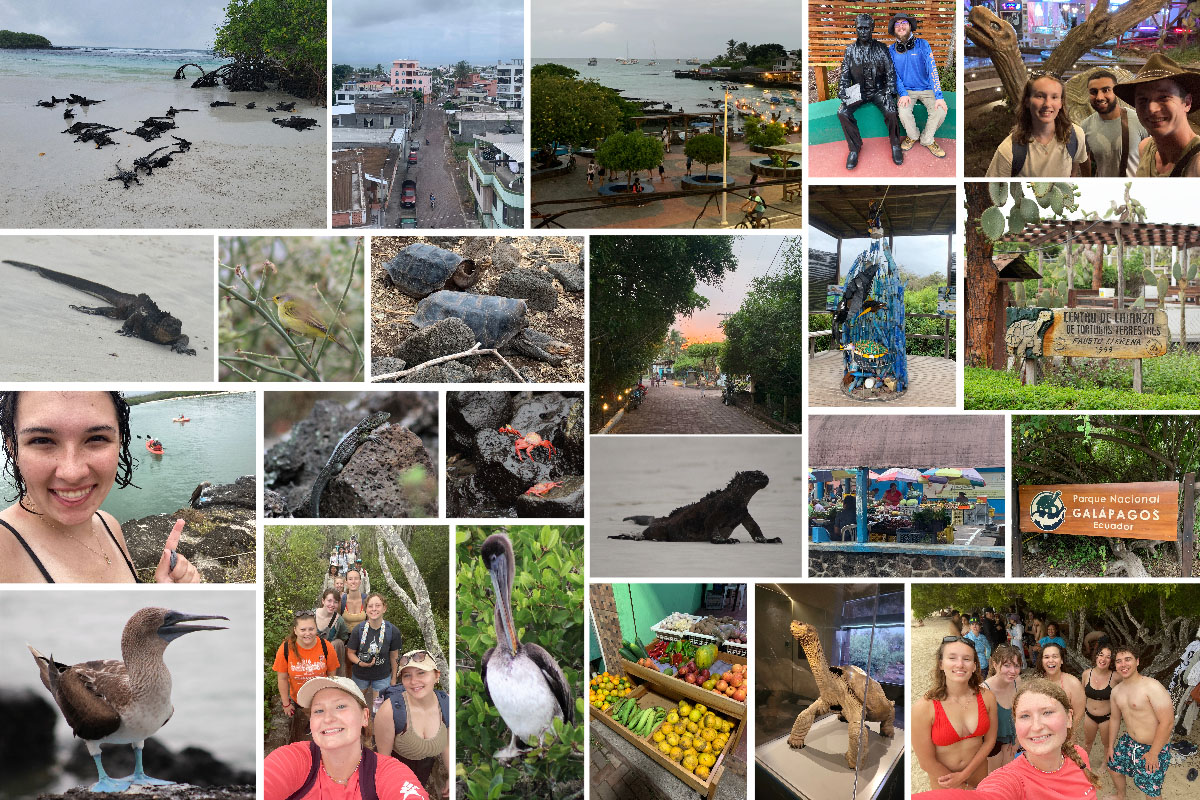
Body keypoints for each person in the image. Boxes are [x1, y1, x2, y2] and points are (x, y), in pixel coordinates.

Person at [0, 391, 199, 583]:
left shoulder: (109, 524)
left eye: (96, 438)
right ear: (12, 448)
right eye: (41, 440)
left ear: (119, 441)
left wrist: (163, 590)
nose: (72, 473)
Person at [913, 678, 1104, 799]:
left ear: (1069, 718)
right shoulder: (1010, 780)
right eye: (1025, 716)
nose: (1036, 726)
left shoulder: (1079, 756)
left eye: (1047, 712)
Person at [264, 676, 430, 800]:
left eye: (341, 706)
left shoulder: (388, 773)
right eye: (318, 711)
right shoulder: (293, 759)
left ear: (365, 717)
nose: (328, 718)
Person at [912, 635, 998, 789]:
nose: (960, 664)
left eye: (967, 659)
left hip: (978, 777)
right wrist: (960, 786)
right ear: (941, 664)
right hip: (945, 784)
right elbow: (926, 762)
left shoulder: (987, 697)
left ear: (974, 665)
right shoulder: (924, 707)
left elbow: (990, 741)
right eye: (952, 658)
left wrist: (964, 776)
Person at [375, 651, 450, 799]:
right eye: (407, 675)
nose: (413, 681)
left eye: (421, 673)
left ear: (436, 675)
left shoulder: (446, 703)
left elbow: (447, 744)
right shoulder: (390, 710)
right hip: (396, 769)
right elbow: (383, 759)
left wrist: (451, 775)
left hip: (425, 767)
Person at [985, 73, 1088, 177]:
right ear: (1027, 102)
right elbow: (993, 190)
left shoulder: (1075, 136)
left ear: (1061, 103)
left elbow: (1072, 173)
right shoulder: (1008, 150)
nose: (1047, 104)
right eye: (1040, 96)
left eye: (1054, 97)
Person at [1114, 53, 1200, 177]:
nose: (1151, 109)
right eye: (1143, 100)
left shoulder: (1196, 164)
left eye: (1163, 97)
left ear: (1187, 102)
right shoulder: (1146, 148)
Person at [1107, 643, 1174, 799]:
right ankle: (1120, 795)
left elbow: (1168, 722)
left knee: (1151, 790)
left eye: (1128, 659)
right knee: (1114, 768)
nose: (1123, 664)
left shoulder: (1152, 687)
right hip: (1129, 741)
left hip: (1154, 746)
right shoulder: (1116, 691)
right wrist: (1110, 746)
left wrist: (1154, 753)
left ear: (1137, 661)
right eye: (1119, 661)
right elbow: (1115, 719)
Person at [837, 13, 904, 169]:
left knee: (891, 111)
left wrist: (889, 91)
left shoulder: (881, 48)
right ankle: (854, 148)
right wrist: (842, 89)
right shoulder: (850, 51)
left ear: (872, 28)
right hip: (857, 90)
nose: (863, 31)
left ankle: (895, 145)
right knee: (842, 112)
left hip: (878, 90)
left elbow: (890, 73)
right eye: (859, 28)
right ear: (856, 29)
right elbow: (845, 74)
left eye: (866, 28)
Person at [274, 610, 341, 744]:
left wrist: (332, 693)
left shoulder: (325, 646)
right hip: (299, 696)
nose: (307, 633)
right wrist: (286, 703)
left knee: (322, 720)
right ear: (295, 630)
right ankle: (311, 720)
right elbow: (281, 678)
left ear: (316, 628)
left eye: (311, 629)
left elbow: (332, 672)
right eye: (303, 629)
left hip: (321, 694)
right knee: (308, 712)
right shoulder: (286, 648)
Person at [888, 12, 948, 158]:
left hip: (927, 89)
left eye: (904, 23)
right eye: (897, 24)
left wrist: (939, 96)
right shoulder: (890, 50)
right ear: (894, 29)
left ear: (910, 26)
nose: (901, 26)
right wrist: (902, 93)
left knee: (940, 110)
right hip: (907, 91)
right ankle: (913, 135)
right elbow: (894, 74)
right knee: (903, 112)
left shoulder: (923, 45)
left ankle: (927, 139)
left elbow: (932, 69)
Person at [1080, 69, 1148, 177]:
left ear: (1115, 91)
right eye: (1094, 92)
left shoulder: (1139, 120)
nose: (1099, 97)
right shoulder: (1085, 126)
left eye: (1106, 90)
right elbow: (1083, 158)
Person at [347, 593, 402, 710]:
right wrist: (360, 663)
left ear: (384, 608)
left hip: (382, 676)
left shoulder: (392, 631)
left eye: (378, 605)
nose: (374, 609)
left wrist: (393, 679)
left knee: (378, 709)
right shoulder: (358, 630)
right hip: (360, 674)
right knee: (356, 705)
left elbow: (394, 656)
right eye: (370, 606)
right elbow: (350, 653)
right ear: (366, 609)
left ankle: (377, 726)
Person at [983, 643, 1022, 772]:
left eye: (1016, 666)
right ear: (995, 664)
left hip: (1012, 740)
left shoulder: (1017, 682)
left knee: (1010, 774)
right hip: (993, 745)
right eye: (1007, 665)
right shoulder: (984, 690)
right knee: (995, 778)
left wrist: (1017, 740)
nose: (1012, 671)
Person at [1081, 643, 1120, 761]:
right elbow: (1081, 695)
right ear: (1096, 657)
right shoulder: (1086, 674)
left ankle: (1104, 764)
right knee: (1087, 742)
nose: (1103, 659)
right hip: (1089, 716)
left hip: (1107, 718)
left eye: (1108, 657)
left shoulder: (1116, 677)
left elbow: (1130, 686)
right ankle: (1083, 764)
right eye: (1101, 655)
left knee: (1107, 744)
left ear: (1111, 661)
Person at [1037, 642, 1085, 736]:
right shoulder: (1037, 683)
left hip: (1066, 733)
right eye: (1046, 657)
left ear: (1061, 660)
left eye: (1055, 656)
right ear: (1042, 661)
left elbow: (1078, 714)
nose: (1051, 660)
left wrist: (1068, 734)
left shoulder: (1073, 683)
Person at [314, 588, 351, 678]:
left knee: (337, 643)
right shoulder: (311, 615)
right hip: (311, 653)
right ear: (323, 601)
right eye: (329, 601)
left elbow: (344, 638)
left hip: (329, 655)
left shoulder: (339, 621)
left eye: (335, 602)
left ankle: (335, 678)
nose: (332, 605)